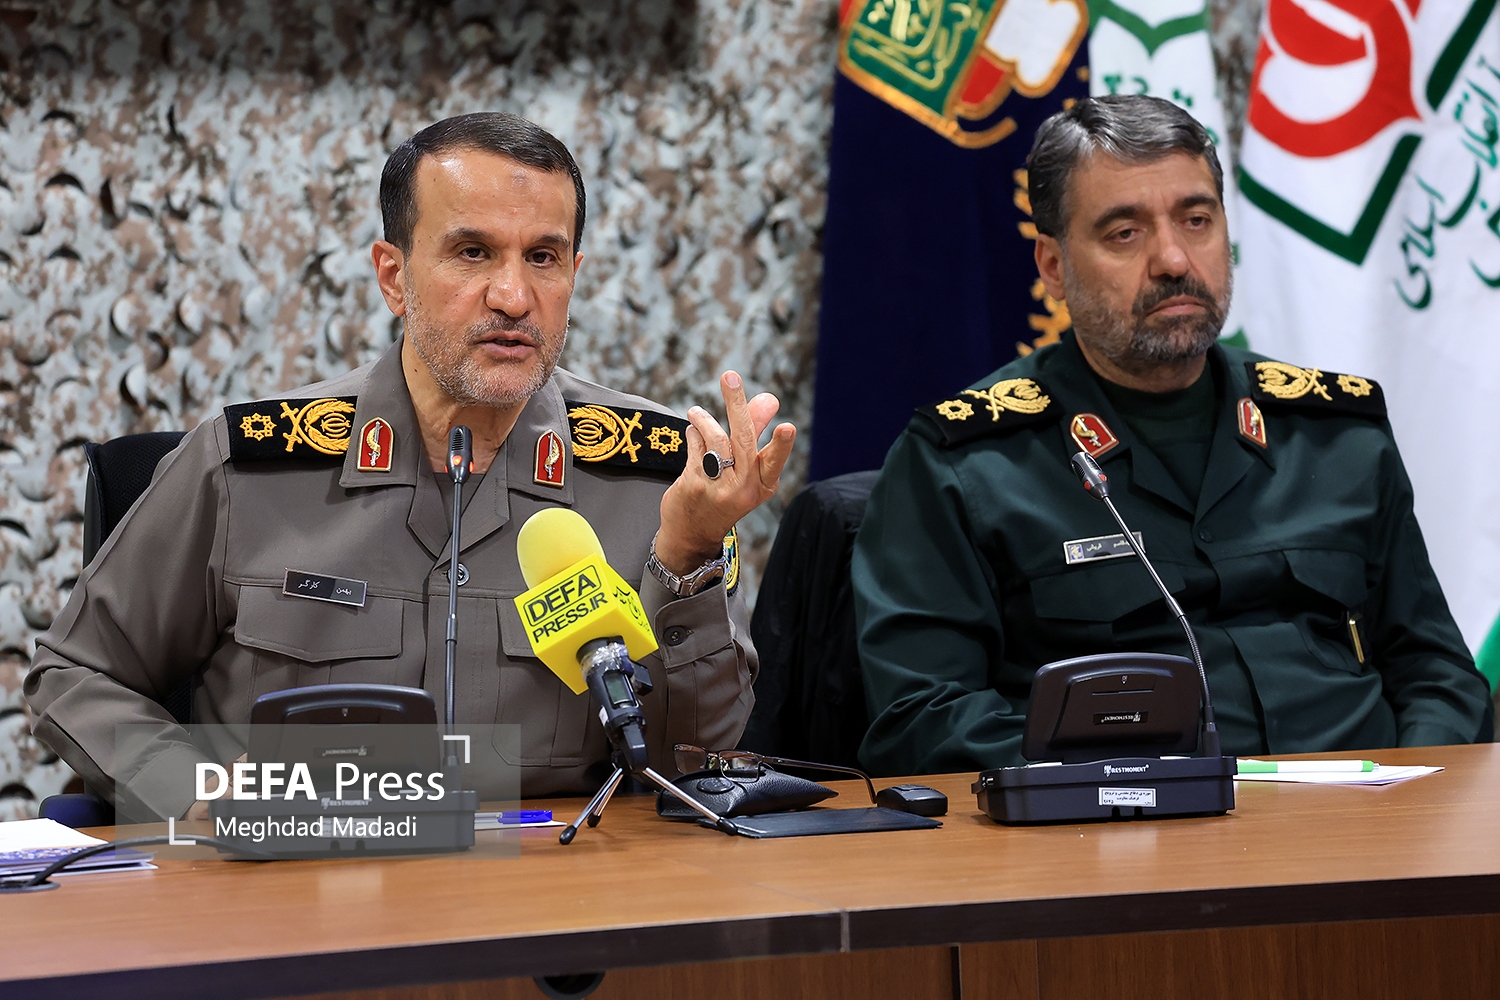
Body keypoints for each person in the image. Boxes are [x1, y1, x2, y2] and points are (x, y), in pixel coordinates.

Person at [25, 113, 795, 820]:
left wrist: (687, 552)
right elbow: (77, 673)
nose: (513, 295)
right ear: (393, 276)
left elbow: (692, 761)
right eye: (472, 252)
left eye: (543, 257)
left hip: (548, 891)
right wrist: (195, 791)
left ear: (574, 274)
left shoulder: (658, 475)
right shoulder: (250, 464)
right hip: (294, 883)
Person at [852, 95, 1491, 776]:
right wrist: (1136, 789)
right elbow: (922, 716)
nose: (1174, 259)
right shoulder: (968, 462)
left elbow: (1437, 673)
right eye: (1125, 233)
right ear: (1053, 266)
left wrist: (1417, 795)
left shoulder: (1335, 433)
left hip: (1369, 816)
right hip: (1124, 825)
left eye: (1196, 220)